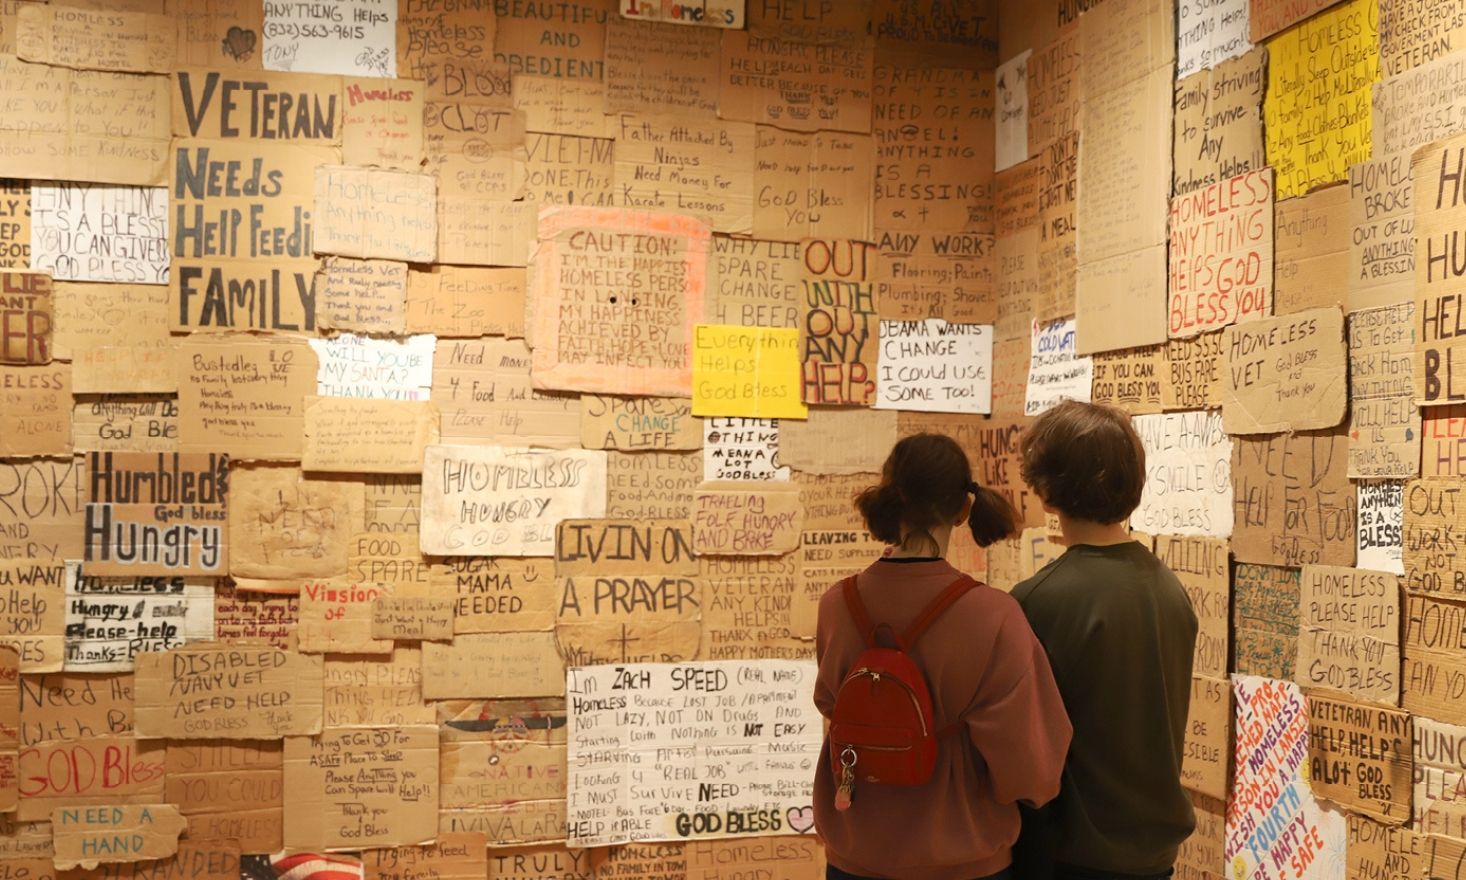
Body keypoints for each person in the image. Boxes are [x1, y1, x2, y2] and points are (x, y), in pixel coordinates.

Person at [814, 433, 1073, 880]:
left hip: (853, 855)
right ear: (964, 508)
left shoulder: (837, 604)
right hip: (963, 862)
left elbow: (830, 705)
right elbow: (1032, 771)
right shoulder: (994, 615)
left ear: (889, 500)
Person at [1010, 401, 1198, 880]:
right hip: (1154, 857)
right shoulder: (1169, 588)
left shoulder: (1036, 600)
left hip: (1070, 854)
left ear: (1046, 490)